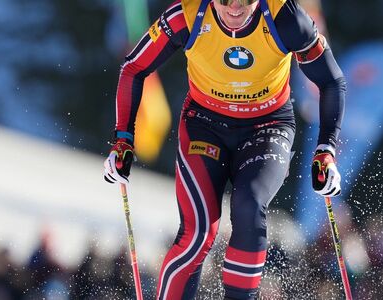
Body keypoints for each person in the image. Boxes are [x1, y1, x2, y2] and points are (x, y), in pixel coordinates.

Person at [103, 0, 346, 298]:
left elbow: (332, 81)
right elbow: (134, 67)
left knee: (250, 206)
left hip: (267, 126)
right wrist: (123, 141)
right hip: (205, 125)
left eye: (244, 0)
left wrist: (326, 150)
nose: (234, 8)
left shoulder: (285, 16)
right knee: (197, 235)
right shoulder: (187, 16)